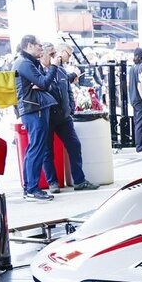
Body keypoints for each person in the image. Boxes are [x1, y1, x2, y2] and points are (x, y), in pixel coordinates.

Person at [38, 42, 99, 192]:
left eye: (55, 54)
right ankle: (52, 182)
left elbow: (68, 91)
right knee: (48, 151)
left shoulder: (61, 71)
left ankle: (79, 180)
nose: (55, 57)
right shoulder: (39, 72)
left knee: (74, 145)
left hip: (64, 117)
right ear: (44, 55)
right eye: (52, 54)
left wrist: (71, 108)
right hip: (47, 116)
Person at [12, 35, 58, 202]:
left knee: (34, 148)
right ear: (29, 45)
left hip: (34, 107)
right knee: (36, 148)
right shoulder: (24, 63)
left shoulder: (26, 62)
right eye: (39, 45)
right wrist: (53, 67)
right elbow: (44, 83)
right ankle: (32, 188)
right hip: (33, 108)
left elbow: (43, 83)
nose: (42, 48)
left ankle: (30, 187)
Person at [129, 47, 142, 153]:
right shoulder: (140, 68)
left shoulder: (132, 68)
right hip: (139, 98)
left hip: (133, 98)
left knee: (138, 122)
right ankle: (140, 145)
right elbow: (139, 85)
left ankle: (139, 143)